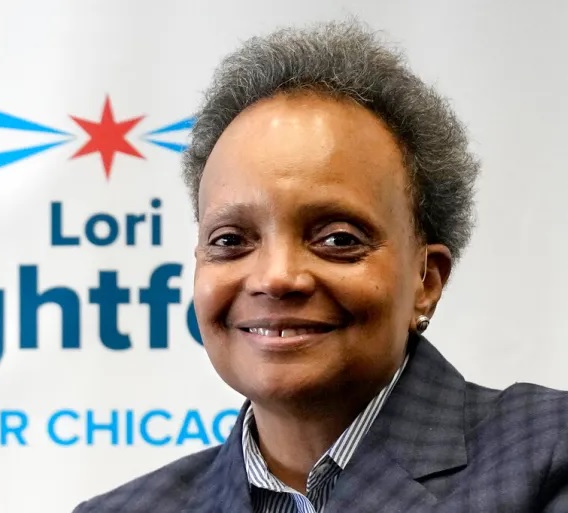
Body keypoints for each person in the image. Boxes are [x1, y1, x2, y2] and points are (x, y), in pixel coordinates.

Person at [74, 20, 568, 512]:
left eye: (337, 239)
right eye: (230, 240)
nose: (275, 277)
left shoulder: (547, 457)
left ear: (427, 280)